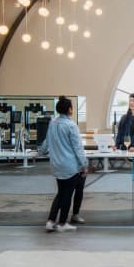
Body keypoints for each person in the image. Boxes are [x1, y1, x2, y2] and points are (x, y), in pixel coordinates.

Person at [38, 96, 88, 231]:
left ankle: (50, 221)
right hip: (70, 166)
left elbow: (46, 143)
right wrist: (84, 164)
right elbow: (78, 148)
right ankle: (62, 224)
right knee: (67, 195)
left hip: (56, 165)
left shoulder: (53, 123)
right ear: (70, 109)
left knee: (61, 193)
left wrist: (39, 152)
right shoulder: (71, 125)